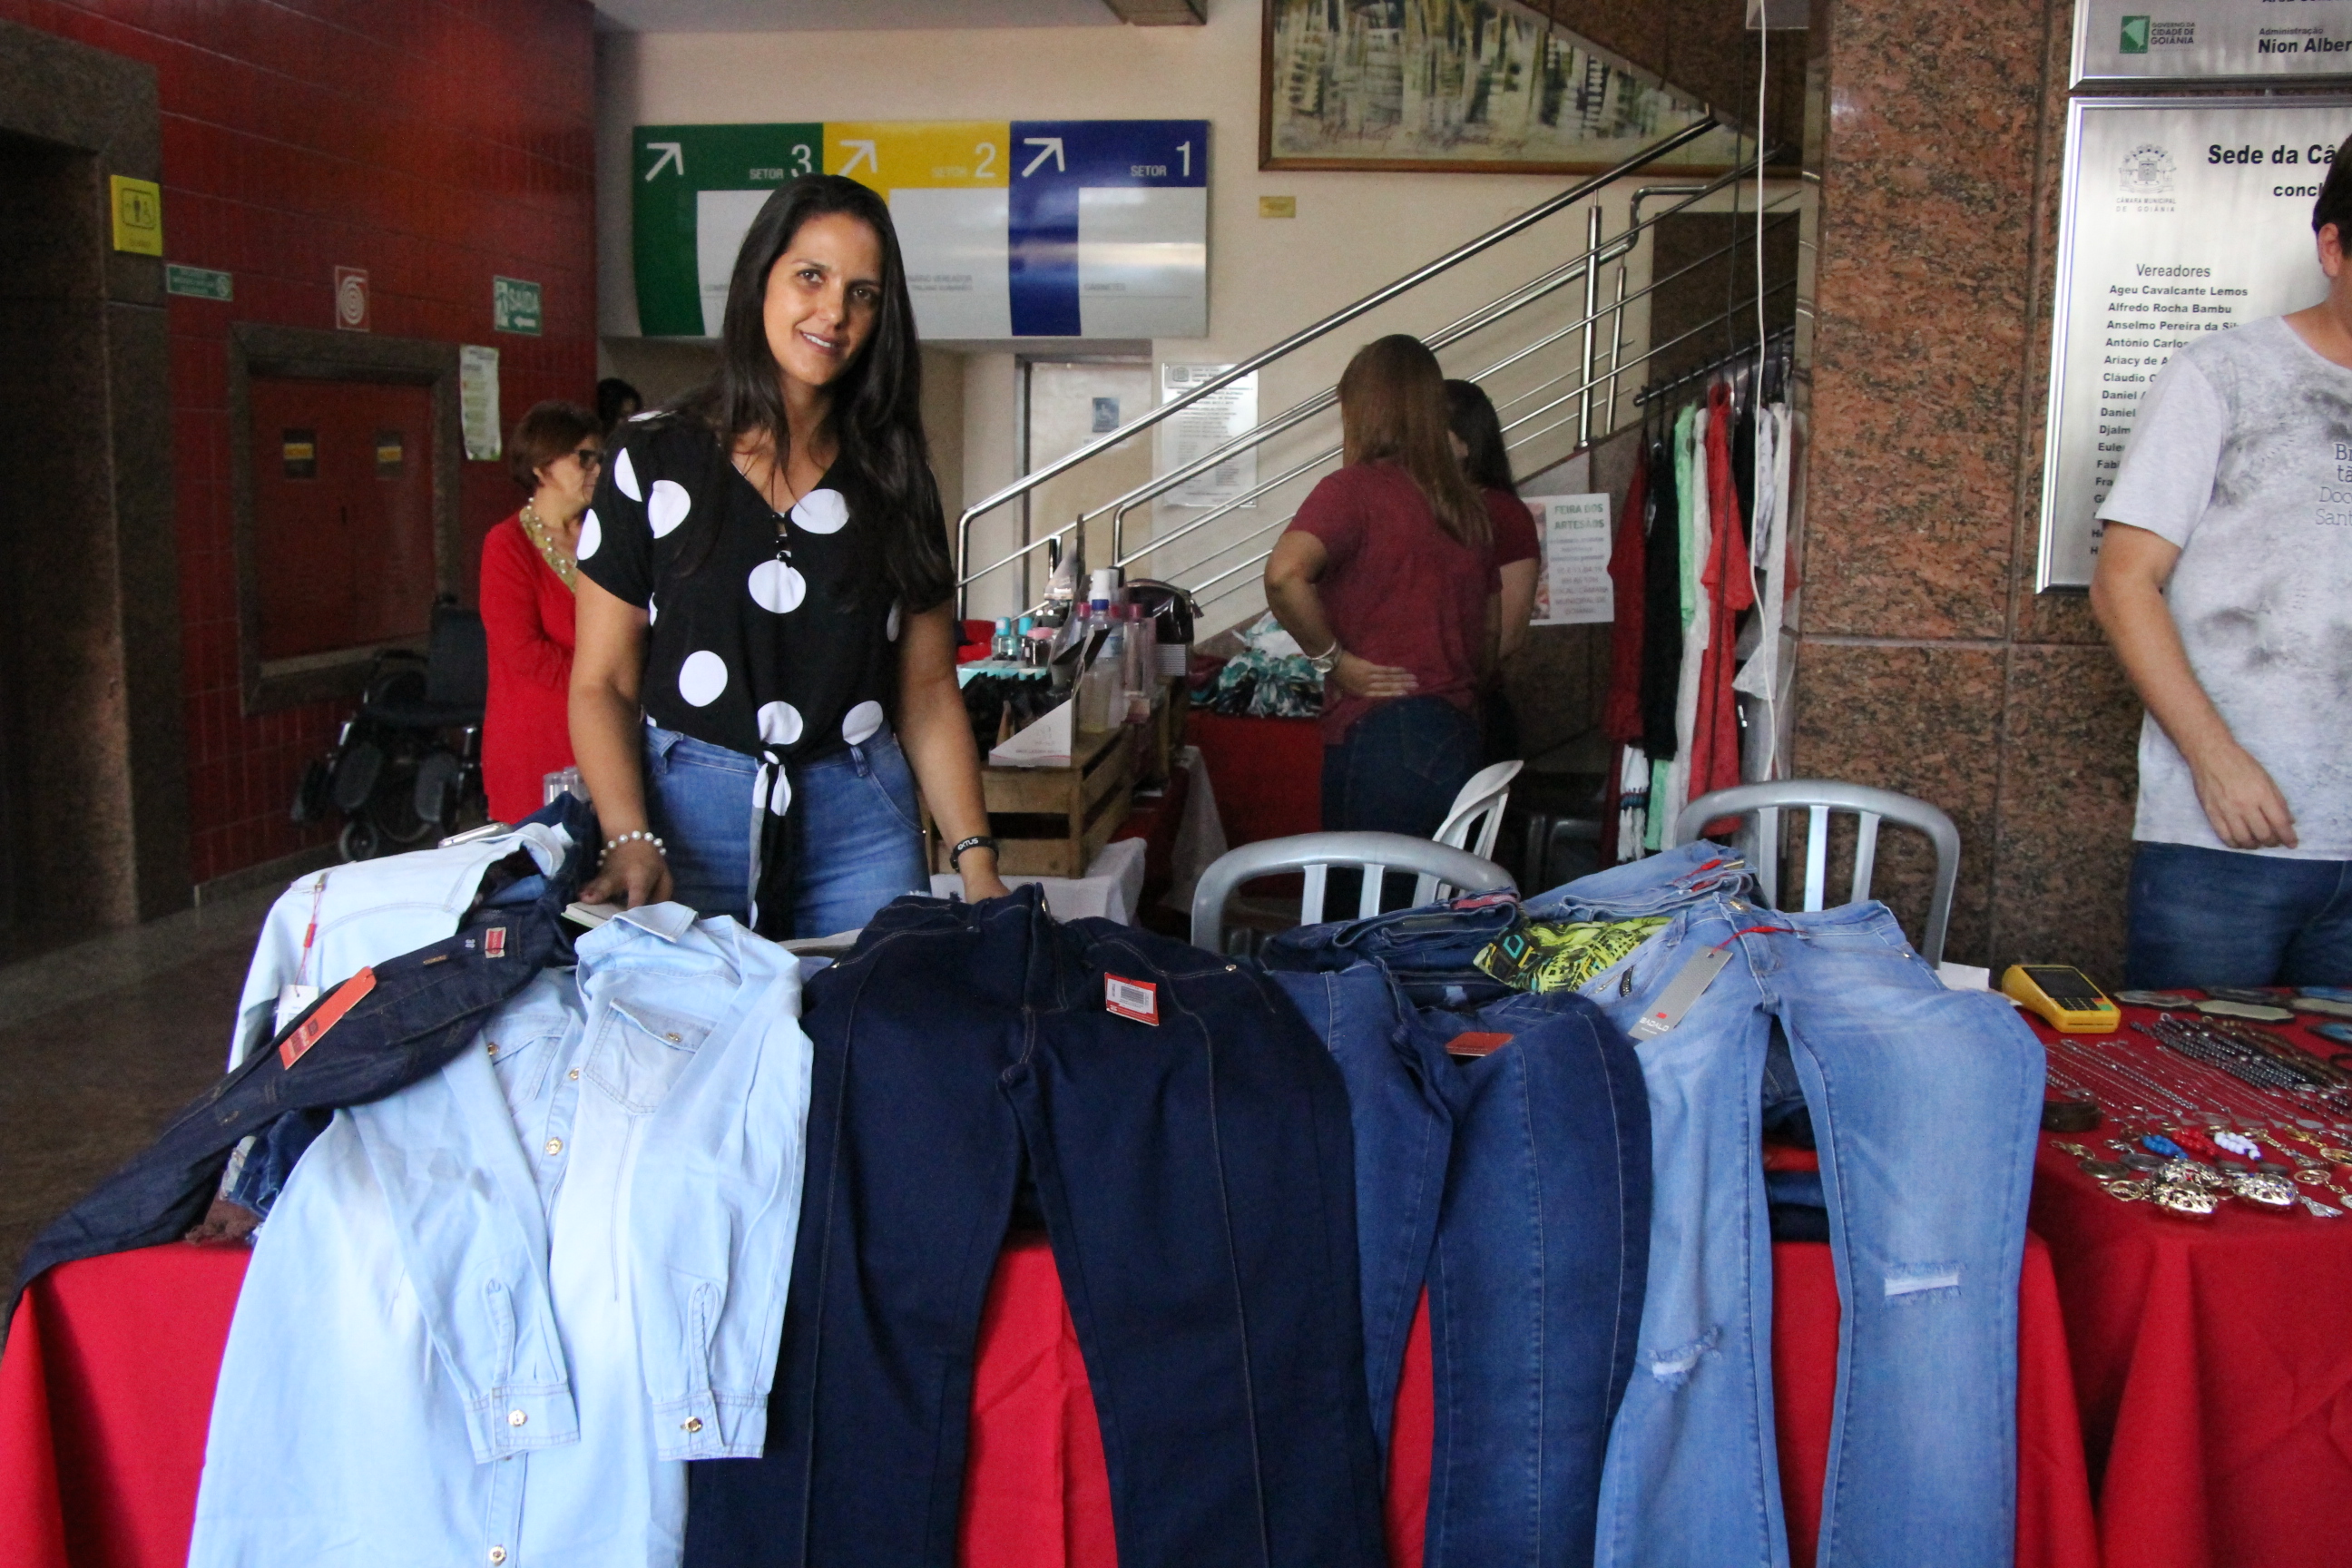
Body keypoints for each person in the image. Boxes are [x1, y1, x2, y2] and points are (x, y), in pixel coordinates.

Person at [569, 173, 1006, 936]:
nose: (835, 312)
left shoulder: (895, 476)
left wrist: (976, 861)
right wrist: (628, 832)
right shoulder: (652, 457)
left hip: (860, 816)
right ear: (759, 281)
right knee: (696, 1016)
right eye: (811, 276)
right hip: (684, 816)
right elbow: (602, 681)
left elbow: (929, 691)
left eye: (863, 293)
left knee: (869, 1009)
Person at [2090, 142, 2352, 988]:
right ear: (2333, 248)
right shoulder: (2223, 375)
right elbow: (2123, 580)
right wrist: (2215, 758)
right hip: (2223, 842)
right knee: (2191, 1068)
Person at [1265, 335, 1499, 859]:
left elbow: (1284, 574)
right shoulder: (1467, 506)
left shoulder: (1353, 490)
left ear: (1362, 408)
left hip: (1384, 736)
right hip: (1459, 735)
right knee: (1437, 904)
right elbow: (1490, 634)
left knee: (1363, 906)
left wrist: (1335, 661)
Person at [479, 400, 600, 824]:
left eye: (600, 458)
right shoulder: (506, 543)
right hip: (539, 734)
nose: (597, 469)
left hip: (609, 728)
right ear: (542, 467)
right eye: (584, 458)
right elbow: (523, 650)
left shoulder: (605, 534)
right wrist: (605, 684)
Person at [1445, 378, 1543, 762]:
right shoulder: (1420, 508)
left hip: (1471, 711)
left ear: (1466, 443)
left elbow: (1509, 632)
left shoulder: (1502, 513)